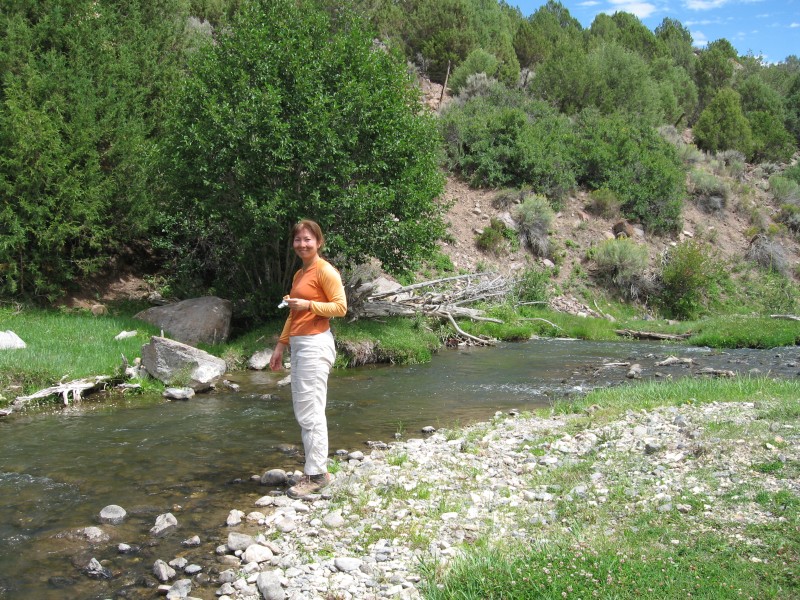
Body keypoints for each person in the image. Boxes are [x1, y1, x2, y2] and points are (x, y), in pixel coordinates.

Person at [270, 220, 347, 498]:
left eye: (308, 240)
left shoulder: (325, 271)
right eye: (298, 240)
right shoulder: (300, 274)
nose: (302, 244)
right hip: (300, 344)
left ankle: (316, 475)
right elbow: (294, 314)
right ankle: (316, 469)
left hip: (316, 344)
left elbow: (340, 307)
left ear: (319, 242)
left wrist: (309, 305)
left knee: (311, 410)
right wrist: (281, 346)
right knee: (305, 410)